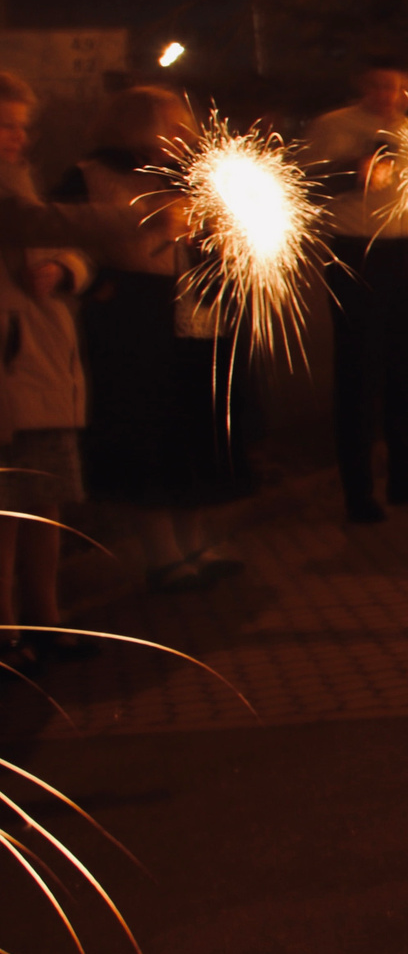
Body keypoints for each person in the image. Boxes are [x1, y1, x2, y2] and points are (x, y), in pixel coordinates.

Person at [59, 86, 261, 588]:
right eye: (166, 127)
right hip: (134, 315)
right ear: (132, 126)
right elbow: (67, 240)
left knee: (194, 424)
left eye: (182, 126)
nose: (180, 137)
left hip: (197, 310)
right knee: (148, 428)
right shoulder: (91, 176)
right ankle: (162, 554)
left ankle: (195, 542)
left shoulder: (194, 176)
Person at [306, 60, 408, 522]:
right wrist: (356, 171)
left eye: (397, 88)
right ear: (362, 86)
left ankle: (406, 478)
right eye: (378, 86)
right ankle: (359, 491)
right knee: (358, 373)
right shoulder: (333, 127)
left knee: (407, 369)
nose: (388, 95)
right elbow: (307, 185)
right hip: (356, 255)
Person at [0, 74, 97, 664]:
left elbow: (67, 238)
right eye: (2, 125)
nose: (15, 137)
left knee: (44, 500)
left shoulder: (25, 183)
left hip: (43, 359)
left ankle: (46, 619)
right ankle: (6, 632)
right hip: (10, 367)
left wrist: (66, 268)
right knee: (7, 505)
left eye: (19, 126)